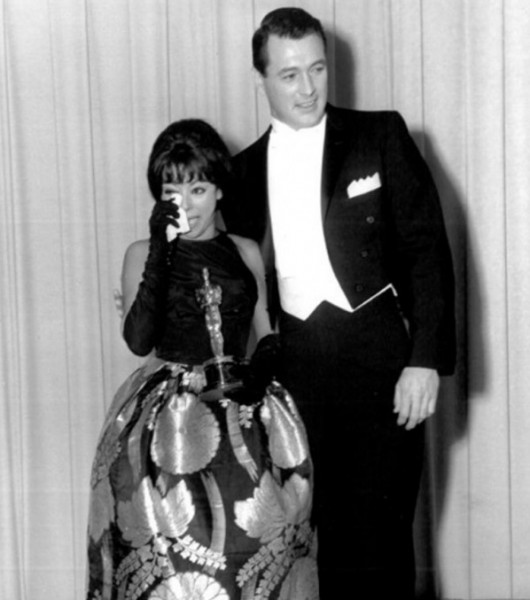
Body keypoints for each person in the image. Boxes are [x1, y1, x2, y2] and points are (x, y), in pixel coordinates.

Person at [221, 7, 456, 599]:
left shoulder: (380, 135)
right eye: (289, 74)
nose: (308, 88)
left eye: (318, 69)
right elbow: (232, 281)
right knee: (309, 549)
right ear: (261, 80)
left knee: (381, 547)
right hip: (295, 378)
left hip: (381, 367)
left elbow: (427, 252)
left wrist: (424, 360)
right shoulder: (241, 173)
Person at [85, 119, 319, 600]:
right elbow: (138, 340)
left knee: (249, 552)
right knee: (173, 559)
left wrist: (261, 368)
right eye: (172, 192)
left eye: (197, 189)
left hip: (244, 410)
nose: (186, 204)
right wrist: (160, 249)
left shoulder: (246, 251)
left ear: (218, 191)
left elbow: (267, 334)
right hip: (166, 421)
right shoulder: (141, 253)